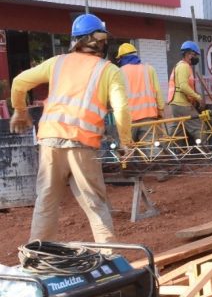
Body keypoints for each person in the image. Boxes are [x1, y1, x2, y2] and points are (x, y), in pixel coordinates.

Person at [9, 13, 130, 243]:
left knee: (46, 201)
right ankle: (110, 255)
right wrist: (126, 142)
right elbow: (122, 110)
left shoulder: (57, 62)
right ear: (98, 40)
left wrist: (20, 110)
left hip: (50, 142)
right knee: (95, 203)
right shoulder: (109, 70)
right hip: (82, 144)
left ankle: (38, 255)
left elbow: (18, 83)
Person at [115, 43, 164, 142]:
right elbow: (158, 92)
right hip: (148, 117)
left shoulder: (119, 72)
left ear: (122, 58)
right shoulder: (149, 69)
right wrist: (161, 110)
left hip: (128, 120)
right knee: (151, 151)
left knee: (127, 150)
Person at [167, 41, 203, 144]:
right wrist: (198, 97)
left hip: (176, 104)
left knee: (177, 131)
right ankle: (206, 152)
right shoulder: (184, 66)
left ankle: (168, 151)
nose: (196, 57)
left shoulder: (181, 66)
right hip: (182, 104)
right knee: (199, 128)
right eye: (195, 55)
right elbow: (183, 86)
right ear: (188, 54)